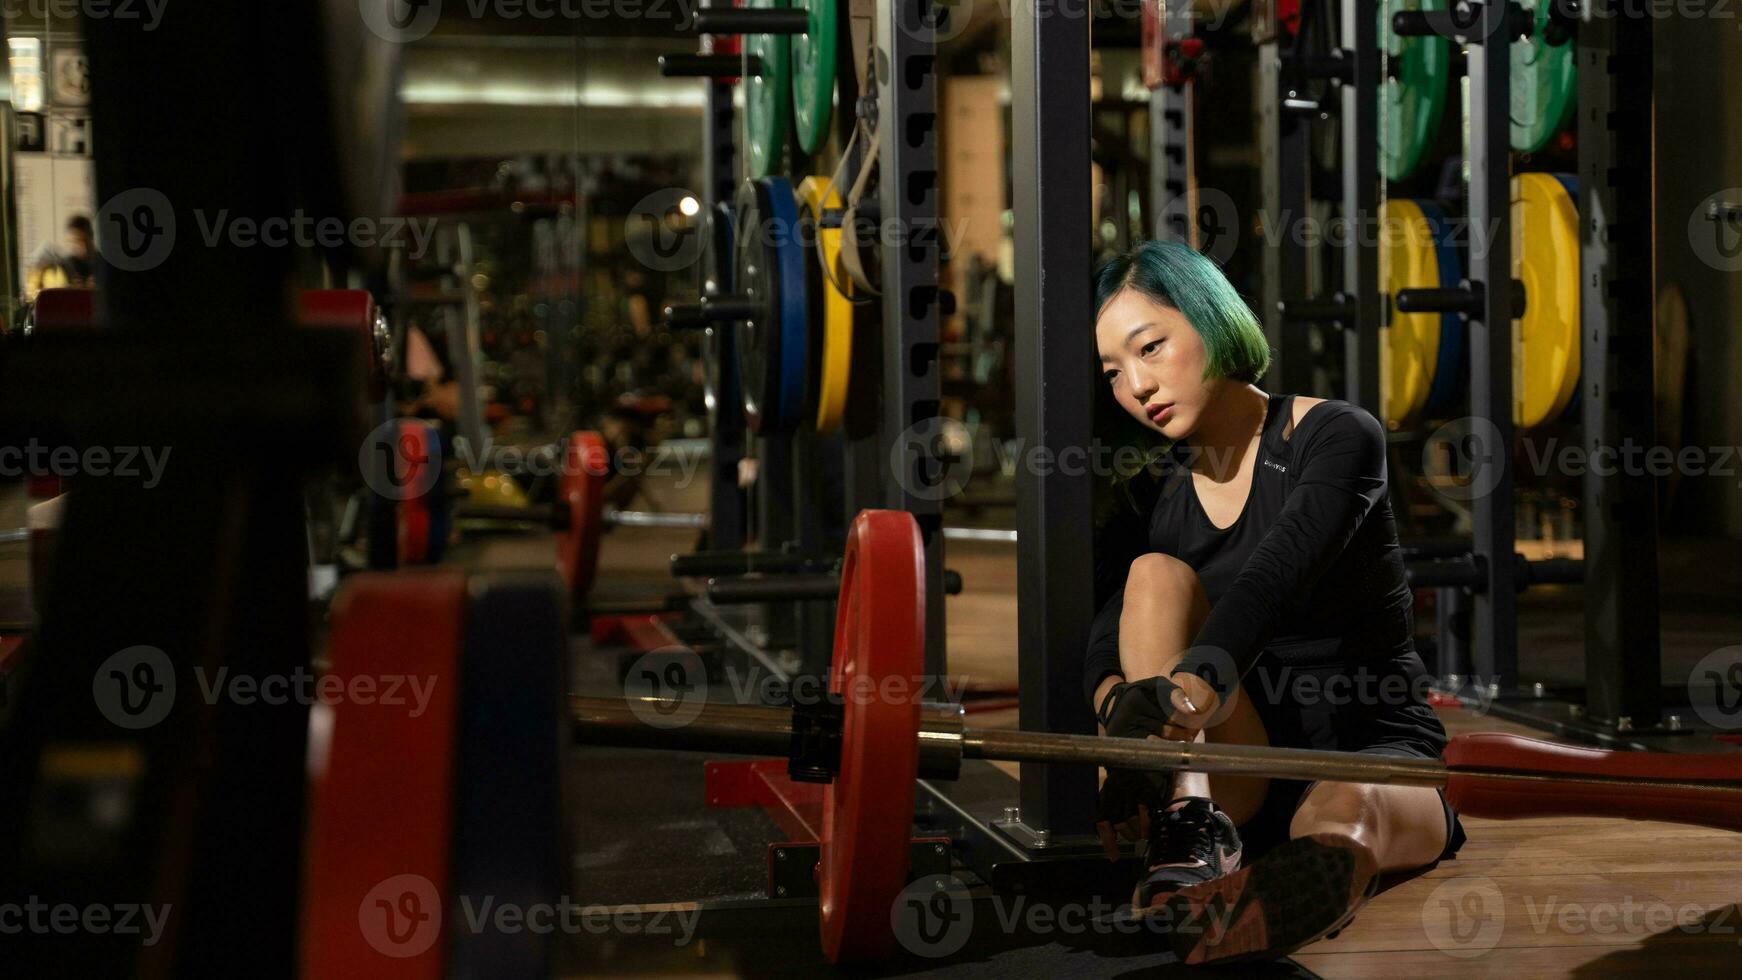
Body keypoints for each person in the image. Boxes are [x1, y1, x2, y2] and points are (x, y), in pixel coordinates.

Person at [1085, 240, 1465, 964]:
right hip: (1239, 770)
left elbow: (1274, 577)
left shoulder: (1335, 437)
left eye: (1152, 347)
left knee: (1343, 816)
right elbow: (1107, 639)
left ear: (1212, 320)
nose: (1136, 384)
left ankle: (1272, 898)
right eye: (1113, 372)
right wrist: (1120, 722)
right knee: (1153, 576)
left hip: (1370, 751)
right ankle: (1188, 817)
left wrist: (1176, 698)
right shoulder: (1150, 494)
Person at [25, 214, 96, 301]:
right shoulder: (61, 266)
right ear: (69, 241)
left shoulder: (100, 265)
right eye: (77, 241)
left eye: (86, 241)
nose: (82, 247)